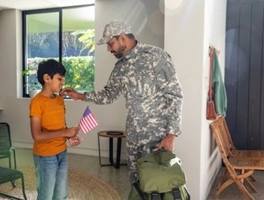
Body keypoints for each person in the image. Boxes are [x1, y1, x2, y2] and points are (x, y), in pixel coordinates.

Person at [62, 20, 183, 198]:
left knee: (159, 185)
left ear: (123, 38)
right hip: (134, 137)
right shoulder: (120, 68)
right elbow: (109, 94)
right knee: (136, 182)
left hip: (157, 137)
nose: (109, 49)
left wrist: (172, 134)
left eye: (111, 43)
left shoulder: (157, 56)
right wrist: (81, 96)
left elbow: (175, 95)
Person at [29, 59, 81, 200]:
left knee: (61, 195)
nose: (62, 82)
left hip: (62, 153)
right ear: (47, 78)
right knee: (46, 195)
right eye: (59, 78)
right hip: (46, 156)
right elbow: (37, 135)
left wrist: (69, 136)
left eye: (63, 78)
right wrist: (65, 132)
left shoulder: (60, 100)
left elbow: (61, 126)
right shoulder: (36, 102)